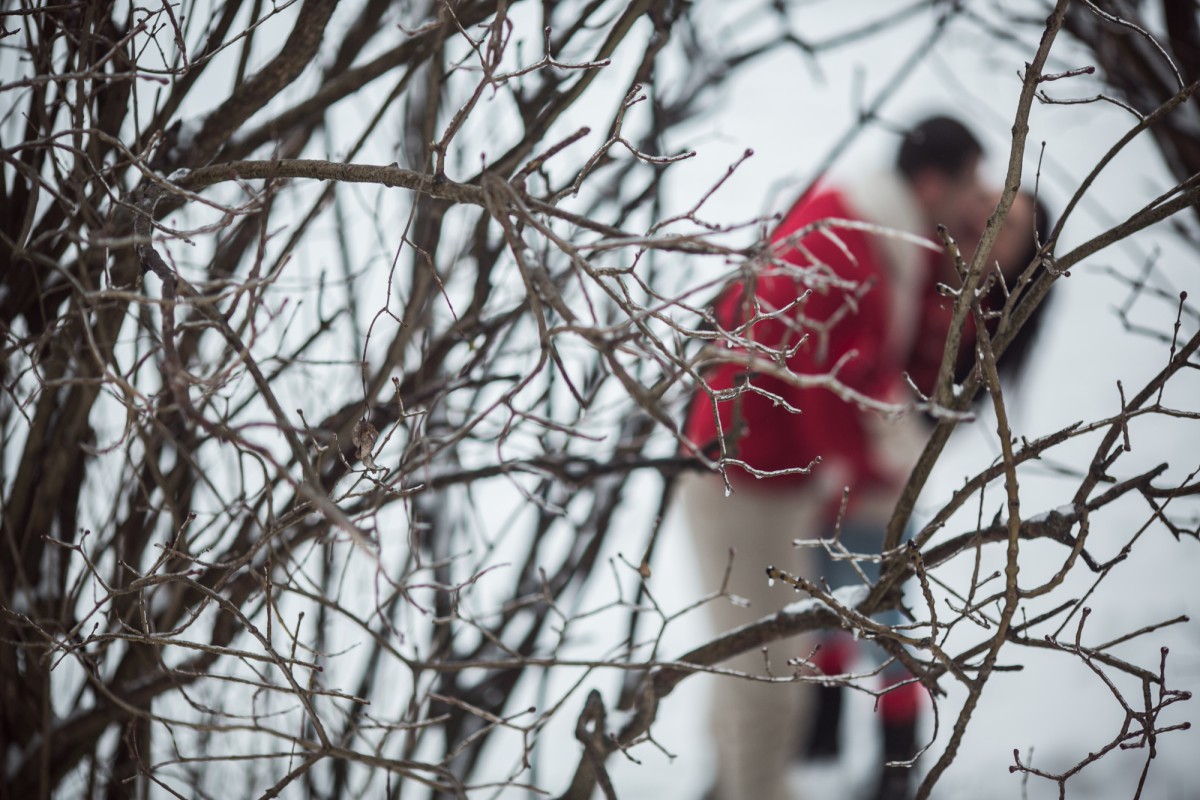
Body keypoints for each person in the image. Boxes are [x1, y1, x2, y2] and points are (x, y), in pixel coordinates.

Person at [679, 116, 992, 800]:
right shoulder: (861, 247)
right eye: (971, 184)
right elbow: (836, 386)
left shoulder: (858, 220)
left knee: (754, 667)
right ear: (934, 182)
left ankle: (733, 787)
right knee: (768, 688)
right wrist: (884, 464)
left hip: (760, 468)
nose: (978, 200)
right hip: (747, 474)